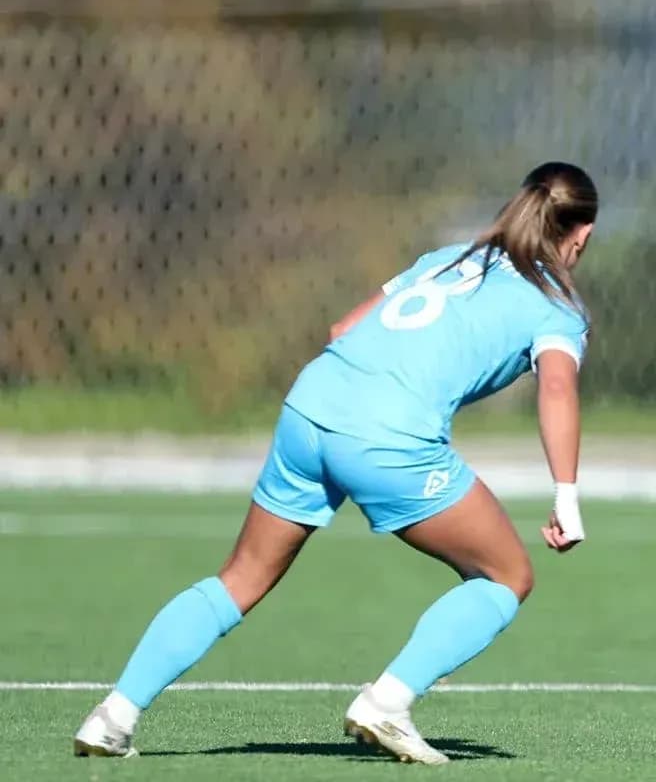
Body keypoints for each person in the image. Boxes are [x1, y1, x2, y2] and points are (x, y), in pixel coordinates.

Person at [72, 162, 600, 765]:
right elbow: (557, 389)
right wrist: (566, 495)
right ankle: (388, 702)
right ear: (579, 237)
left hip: (312, 404)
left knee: (240, 577)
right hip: (386, 438)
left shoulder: (449, 259)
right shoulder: (558, 307)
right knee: (507, 575)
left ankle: (114, 715)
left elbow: (343, 326)